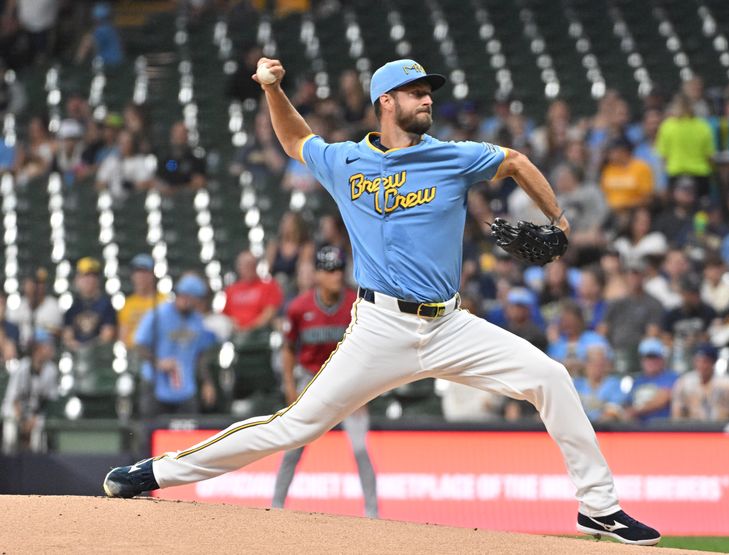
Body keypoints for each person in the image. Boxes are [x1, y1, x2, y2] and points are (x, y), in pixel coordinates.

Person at [103, 57, 660, 546]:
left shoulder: (453, 157)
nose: (428, 100)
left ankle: (599, 508)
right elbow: (297, 140)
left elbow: (513, 160)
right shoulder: (346, 161)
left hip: (449, 325)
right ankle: (155, 473)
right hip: (378, 327)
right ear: (386, 102)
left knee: (551, 378)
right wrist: (273, 90)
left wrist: (557, 220)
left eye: (429, 92)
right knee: (295, 426)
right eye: (418, 92)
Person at [273, 246, 378, 518]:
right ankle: (276, 507)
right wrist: (289, 386)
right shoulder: (299, 307)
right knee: (294, 444)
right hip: (311, 379)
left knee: (359, 448)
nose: (335, 275)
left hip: (348, 381)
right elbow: (287, 348)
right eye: (329, 270)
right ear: (317, 274)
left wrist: (364, 391)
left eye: (339, 270)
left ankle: (372, 513)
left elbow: (369, 350)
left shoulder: (357, 305)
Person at [135, 274, 217, 416]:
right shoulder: (158, 314)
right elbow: (140, 345)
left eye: (192, 299)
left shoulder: (197, 321)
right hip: (155, 383)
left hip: (185, 387)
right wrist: (158, 362)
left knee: (188, 434)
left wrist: (207, 382)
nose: (186, 301)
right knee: (151, 432)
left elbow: (200, 355)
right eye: (183, 296)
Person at [1, 329, 58, 454]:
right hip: (15, 411)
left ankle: (37, 465)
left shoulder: (51, 370)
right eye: (46, 345)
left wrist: (33, 420)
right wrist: (22, 420)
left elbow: (48, 401)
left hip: (36, 414)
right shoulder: (22, 367)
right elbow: (14, 399)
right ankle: (8, 461)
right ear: (37, 348)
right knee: (10, 433)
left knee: (39, 434)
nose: (49, 348)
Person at [671, 344, 729, 421]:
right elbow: (677, 414)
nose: (701, 365)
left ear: (713, 362)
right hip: (692, 428)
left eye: (705, 361)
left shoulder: (727, 383)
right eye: (698, 361)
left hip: (720, 428)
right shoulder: (684, 382)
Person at [62, 257, 117, 351]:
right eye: (85, 275)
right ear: (77, 279)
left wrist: (85, 347)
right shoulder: (73, 308)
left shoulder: (106, 305)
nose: (90, 280)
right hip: (76, 356)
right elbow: (67, 337)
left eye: (93, 276)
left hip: (100, 356)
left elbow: (108, 335)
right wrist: (76, 346)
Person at [222, 250, 283, 332]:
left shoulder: (269, 286)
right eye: (245, 265)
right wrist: (234, 325)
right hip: (234, 331)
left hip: (259, 332)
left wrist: (251, 328)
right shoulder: (230, 290)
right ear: (238, 267)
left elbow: (270, 312)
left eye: (251, 264)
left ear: (256, 266)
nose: (248, 268)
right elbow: (225, 316)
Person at [624, 338, 679, 423]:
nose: (651, 362)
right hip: (638, 429)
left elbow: (663, 398)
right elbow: (627, 404)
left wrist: (635, 411)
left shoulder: (671, 377)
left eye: (654, 357)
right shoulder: (637, 381)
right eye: (647, 358)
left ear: (662, 359)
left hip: (662, 428)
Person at [117, 254, 166, 349]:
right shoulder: (127, 304)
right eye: (137, 272)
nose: (141, 276)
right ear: (132, 276)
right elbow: (123, 337)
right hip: (133, 353)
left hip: (156, 352)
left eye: (145, 272)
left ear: (153, 275)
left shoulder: (164, 302)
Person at [573, 343, 625, 423]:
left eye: (600, 362)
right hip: (578, 428)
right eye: (592, 361)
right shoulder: (577, 384)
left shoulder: (614, 384)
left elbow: (614, 412)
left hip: (604, 429)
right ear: (585, 364)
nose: (596, 366)